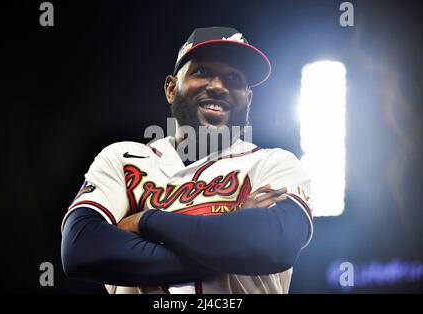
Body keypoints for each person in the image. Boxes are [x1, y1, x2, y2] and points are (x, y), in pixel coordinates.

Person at [61, 26, 313, 294]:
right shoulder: (123, 158)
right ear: (171, 88)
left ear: (248, 99)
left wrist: (145, 221)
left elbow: (274, 246)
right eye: (202, 71)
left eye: (234, 78)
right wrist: (225, 247)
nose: (218, 86)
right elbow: (81, 249)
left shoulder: (273, 163)